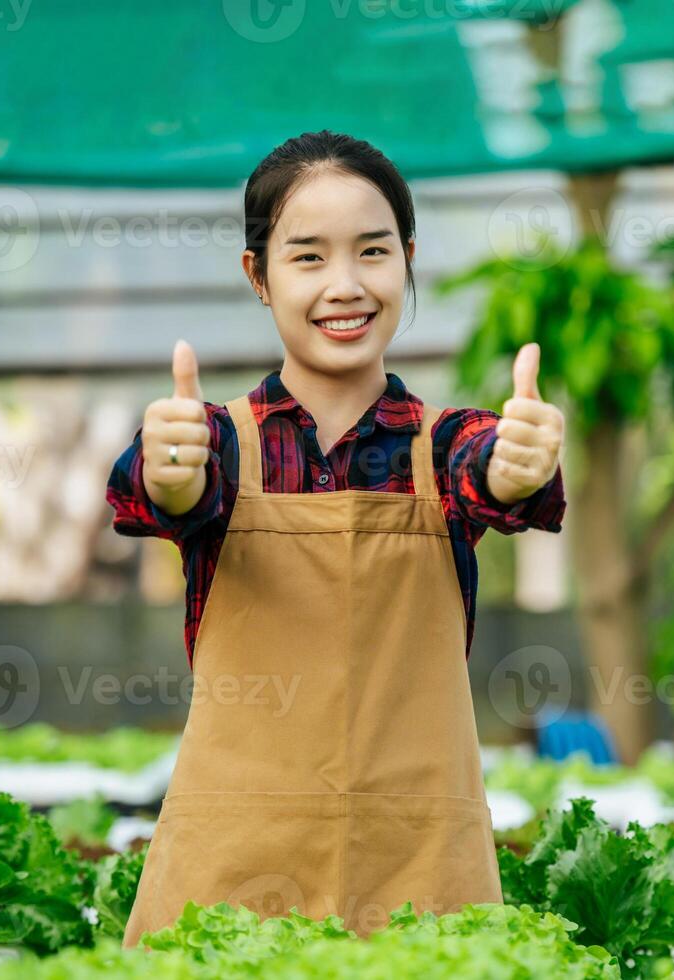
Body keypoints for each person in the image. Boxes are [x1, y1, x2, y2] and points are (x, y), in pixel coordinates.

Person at [107, 130, 566, 944]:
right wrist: (167, 474)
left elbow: (489, 475)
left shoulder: (446, 443)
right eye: (308, 257)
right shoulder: (217, 441)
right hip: (232, 875)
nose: (345, 285)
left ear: (409, 258)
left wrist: (516, 468)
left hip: (418, 868)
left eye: (373, 251)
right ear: (258, 276)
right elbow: (163, 489)